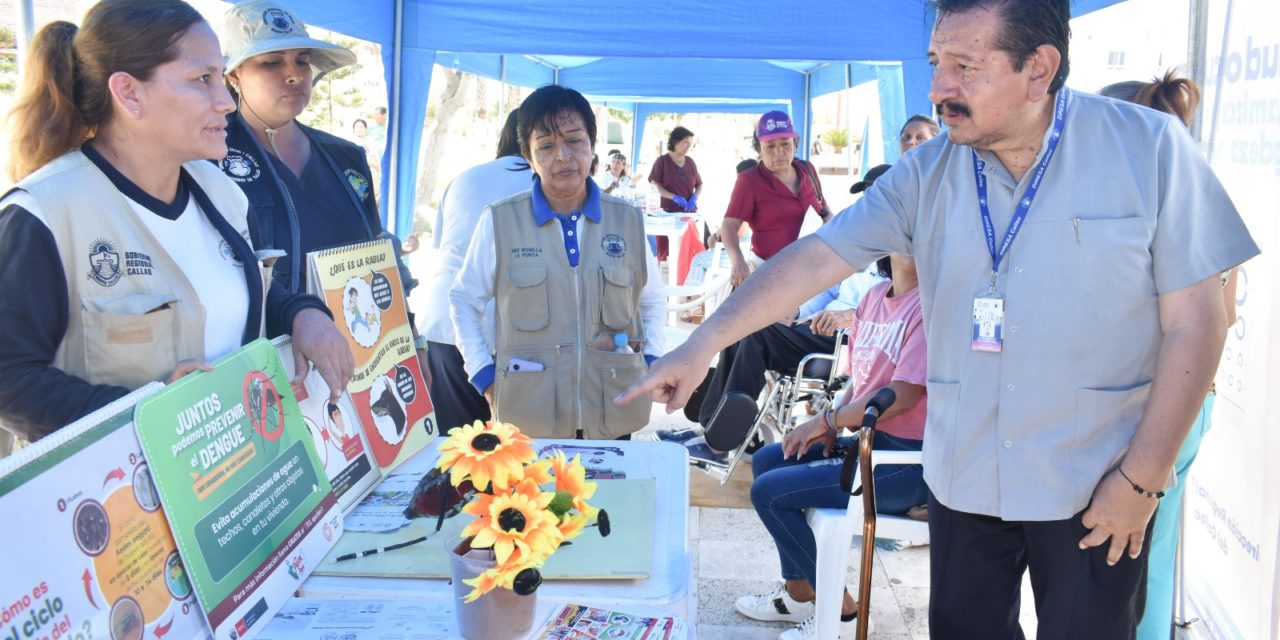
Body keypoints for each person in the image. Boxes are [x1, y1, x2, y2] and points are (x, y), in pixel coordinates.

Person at [619, 1, 1259, 637]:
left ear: (1039, 68)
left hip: (1094, 483)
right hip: (966, 481)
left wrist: (1141, 482)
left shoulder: (1146, 151)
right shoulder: (926, 173)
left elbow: (1198, 324)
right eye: (935, 63)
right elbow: (816, 258)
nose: (938, 88)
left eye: (964, 66)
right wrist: (704, 341)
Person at [0, 0, 353, 457]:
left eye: (220, 77)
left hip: (236, 481)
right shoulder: (44, 214)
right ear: (129, 94)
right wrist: (148, 415)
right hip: (119, 506)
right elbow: (9, 377)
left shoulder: (221, 191)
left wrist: (303, 312)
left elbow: (245, 291)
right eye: (201, 80)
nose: (226, 102)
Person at [216, 1, 427, 366]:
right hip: (264, 368)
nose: (294, 74)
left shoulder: (346, 157)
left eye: (302, 60)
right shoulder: (210, 157)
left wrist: (410, 339)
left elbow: (378, 252)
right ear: (234, 76)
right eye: (271, 62)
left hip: (361, 362)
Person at [1099, 71, 1233, 640]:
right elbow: (1224, 313)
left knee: (1126, 566)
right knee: (1141, 559)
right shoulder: (1195, 196)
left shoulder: (1143, 209)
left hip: (1149, 411)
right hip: (1180, 408)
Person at [451, 85, 665, 440]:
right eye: (546, 146)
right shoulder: (500, 221)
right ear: (528, 156)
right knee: (527, 499)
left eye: (574, 140)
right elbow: (463, 299)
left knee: (611, 497)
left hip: (615, 410)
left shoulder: (627, 221)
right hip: (528, 416)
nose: (563, 155)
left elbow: (653, 300)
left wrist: (653, 360)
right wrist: (484, 375)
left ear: (592, 145)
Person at [735, 253, 926, 639]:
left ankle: (844, 614)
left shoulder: (931, 305)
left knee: (769, 494)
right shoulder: (873, 297)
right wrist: (827, 423)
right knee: (772, 458)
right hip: (869, 443)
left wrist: (828, 422)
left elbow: (902, 395)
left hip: (904, 462)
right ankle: (798, 592)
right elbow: (859, 380)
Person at [421, 109, 532, 433]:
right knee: (511, 449)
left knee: (458, 446)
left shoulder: (465, 177)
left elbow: (444, 245)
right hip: (507, 331)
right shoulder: (548, 184)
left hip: (443, 322)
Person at [721, 111, 833, 289]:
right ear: (759, 148)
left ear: (795, 144)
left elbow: (824, 210)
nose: (779, 152)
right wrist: (738, 261)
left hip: (812, 269)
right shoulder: (749, 181)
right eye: (770, 146)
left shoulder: (808, 170)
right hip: (770, 274)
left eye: (785, 144)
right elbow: (729, 225)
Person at [647, 126, 702, 261]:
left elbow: (699, 184)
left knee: (686, 252)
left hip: (687, 214)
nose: (688, 147)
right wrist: (673, 196)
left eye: (689, 144)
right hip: (666, 214)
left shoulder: (690, 162)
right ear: (675, 141)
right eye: (685, 143)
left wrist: (695, 197)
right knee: (666, 253)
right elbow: (655, 185)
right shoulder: (662, 161)